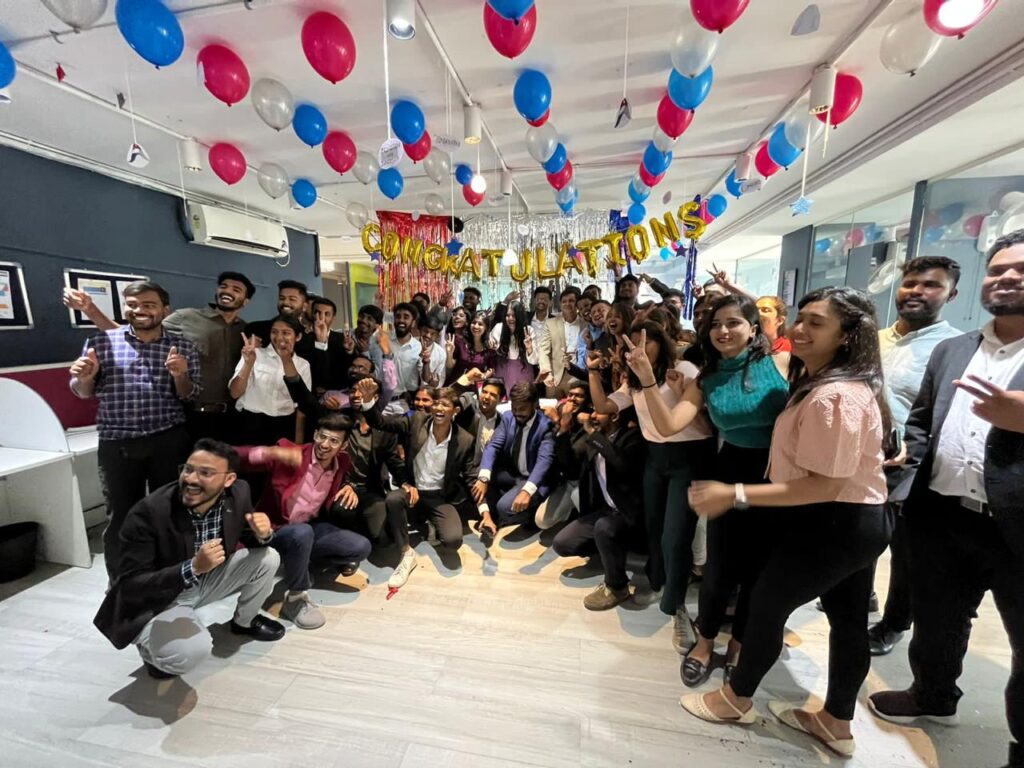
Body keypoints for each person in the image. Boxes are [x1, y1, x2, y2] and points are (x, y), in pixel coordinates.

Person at [682, 287, 893, 761]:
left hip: (834, 521)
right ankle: (836, 721)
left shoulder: (833, 394)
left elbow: (822, 485)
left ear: (846, 335)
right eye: (800, 319)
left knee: (765, 606)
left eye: (816, 323)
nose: (799, 330)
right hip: (859, 517)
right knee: (848, 621)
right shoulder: (831, 382)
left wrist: (733, 493)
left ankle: (734, 700)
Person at [869, 231, 1024, 768]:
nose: (1007, 277)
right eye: (998, 269)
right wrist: (906, 470)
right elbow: (920, 421)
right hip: (942, 514)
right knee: (938, 617)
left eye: (1020, 270)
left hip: (1017, 525)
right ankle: (933, 693)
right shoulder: (953, 349)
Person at [624, 295, 789, 686]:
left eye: (733, 323)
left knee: (760, 569)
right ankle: (706, 641)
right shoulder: (706, 377)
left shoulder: (783, 363)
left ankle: (740, 644)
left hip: (777, 471)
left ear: (753, 328)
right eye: (715, 324)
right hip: (729, 468)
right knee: (719, 566)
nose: (723, 331)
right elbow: (668, 425)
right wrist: (646, 377)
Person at [93, 439, 284, 679]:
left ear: (228, 480)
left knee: (268, 558)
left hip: (206, 578)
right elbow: (131, 585)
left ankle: (243, 623)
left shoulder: (238, 492)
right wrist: (192, 567)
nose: (192, 479)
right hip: (162, 597)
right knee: (190, 652)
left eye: (206, 473)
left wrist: (263, 534)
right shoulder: (149, 512)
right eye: (188, 469)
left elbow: (244, 534)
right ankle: (151, 650)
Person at [588, 320, 713, 654]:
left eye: (645, 342)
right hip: (655, 460)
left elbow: (696, 420)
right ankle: (659, 583)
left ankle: (677, 608)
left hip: (688, 458)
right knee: (654, 528)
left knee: (675, 536)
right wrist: (592, 372)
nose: (637, 349)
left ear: (661, 341)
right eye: (630, 344)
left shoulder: (683, 370)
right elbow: (603, 408)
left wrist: (659, 381)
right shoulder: (633, 381)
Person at [69, 280, 200, 580]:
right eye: (133, 305)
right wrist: (84, 378)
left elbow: (189, 395)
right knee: (121, 516)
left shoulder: (182, 347)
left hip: (167, 439)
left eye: (149, 305)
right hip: (117, 443)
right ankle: (122, 582)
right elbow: (83, 392)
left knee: (169, 510)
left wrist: (180, 375)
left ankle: (169, 576)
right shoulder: (101, 342)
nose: (140, 310)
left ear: (165, 310)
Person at [867, 256, 961, 656]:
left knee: (905, 553)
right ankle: (862, 595)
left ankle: (893, 623)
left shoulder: (953, 347)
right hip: (862, 458)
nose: (917, 292)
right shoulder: (874, 338)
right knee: (862, 534)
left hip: (912, 465)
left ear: (951, 295)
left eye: (931, 285)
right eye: (910, 283)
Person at [236, 414, 373, 630]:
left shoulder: (342, 463)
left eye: (334, 441)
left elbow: (346, 479)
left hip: (309, 527)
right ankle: (295, 599)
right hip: (275, 529)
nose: (325, 445)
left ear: (343, 446)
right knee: (301, 533)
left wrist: (349, 486)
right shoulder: (291, 454)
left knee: (360, 547)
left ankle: (300, 559)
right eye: (322, 436)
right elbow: (241, 457)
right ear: (315, 434)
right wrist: (271, 453)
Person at [357, 380, 478, 580]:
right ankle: (406, 552)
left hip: (439, 497)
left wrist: (485, 511)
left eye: (445, 405)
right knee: (393, 500)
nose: (438, 408)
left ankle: (427, 522)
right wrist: (369, 401)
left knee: (453, 541)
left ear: (455, 411)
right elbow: (381, 423)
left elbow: (471, 475)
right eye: (436, 403)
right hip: (413, 491)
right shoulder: (416, 421)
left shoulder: (465, 440)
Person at [552, 404, 645, 610]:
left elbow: (621, 465)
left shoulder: (633, 438)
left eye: (598, 412)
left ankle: (617, 586)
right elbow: (571, 470)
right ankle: (610, 551)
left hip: (631, 514)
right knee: (562, 543)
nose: (592, 415)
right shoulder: (595, 440)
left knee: (604, 527)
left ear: (614, 416)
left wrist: (593, 434)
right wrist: (563, 431)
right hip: (606, 511)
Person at [472, 381, 556, 542]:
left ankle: (533, 512)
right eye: (514, 408)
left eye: (522, 409)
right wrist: (483, 478)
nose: (517, 413)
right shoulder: (508, 418)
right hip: (514, 474)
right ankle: (494, 511)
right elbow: (493, 446)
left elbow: (544, 461)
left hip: (536, 479)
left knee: (504, 508)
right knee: (479, 476)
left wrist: (527, 491)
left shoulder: (545, 425)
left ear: (534, 405)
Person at [230, 314, 310, 445]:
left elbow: (302, 407)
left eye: (286, 333)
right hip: (251, 423)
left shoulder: (303, 365)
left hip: (284, 426)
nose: (279, 337)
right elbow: (234, 393)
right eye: (274, 332)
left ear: (298, 336)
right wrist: (248, 364)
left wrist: (298, 444)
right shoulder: (254, 354)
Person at [535, 381, 592, 530]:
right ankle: (570, 512)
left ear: (588, 401)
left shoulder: (589, 424)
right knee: (542, 521)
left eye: (579, 396)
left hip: (582, 483)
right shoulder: (563, 414)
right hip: (565, 480)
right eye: (571, 395)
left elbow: (570, 464)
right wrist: (560, 422)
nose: (572, 399)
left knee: (581, 506)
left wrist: (562, 424)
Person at [539, 286, 586, 398]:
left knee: (577, 407)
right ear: (560, 304)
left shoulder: (586, 323)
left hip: (579, 375)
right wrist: (547, 373)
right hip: (555, 376)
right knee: (553, 406)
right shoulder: (550, 323)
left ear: (577, 304)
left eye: (571, 301)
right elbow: (544, 350)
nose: (567, 304)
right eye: (564, 301)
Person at [244, 280, 311, 348]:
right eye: (282, 298)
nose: (285, 302)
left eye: (292, 299)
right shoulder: (255, 329)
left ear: (304, 306)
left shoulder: (309, 338)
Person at [490, 301, 539, 391]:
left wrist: (529, 348)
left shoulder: (528, 330)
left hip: (524, 371)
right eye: (508, 315)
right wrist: (492, 347)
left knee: (522, 398)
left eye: (514, 315)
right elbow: (490, 349)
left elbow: (535, 361)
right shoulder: (498, 328)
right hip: (502, 371)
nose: (510, 318)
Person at [448, 312, 497, 385]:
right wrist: (449, 354)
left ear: (486, 327)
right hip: (455, 384)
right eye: (474, 323)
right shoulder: (460, 342)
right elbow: (449, 366)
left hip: (473, 388)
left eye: (480, 324)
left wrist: (483, 376)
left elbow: (491, 369)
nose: (476, 326)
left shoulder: (490, 348)